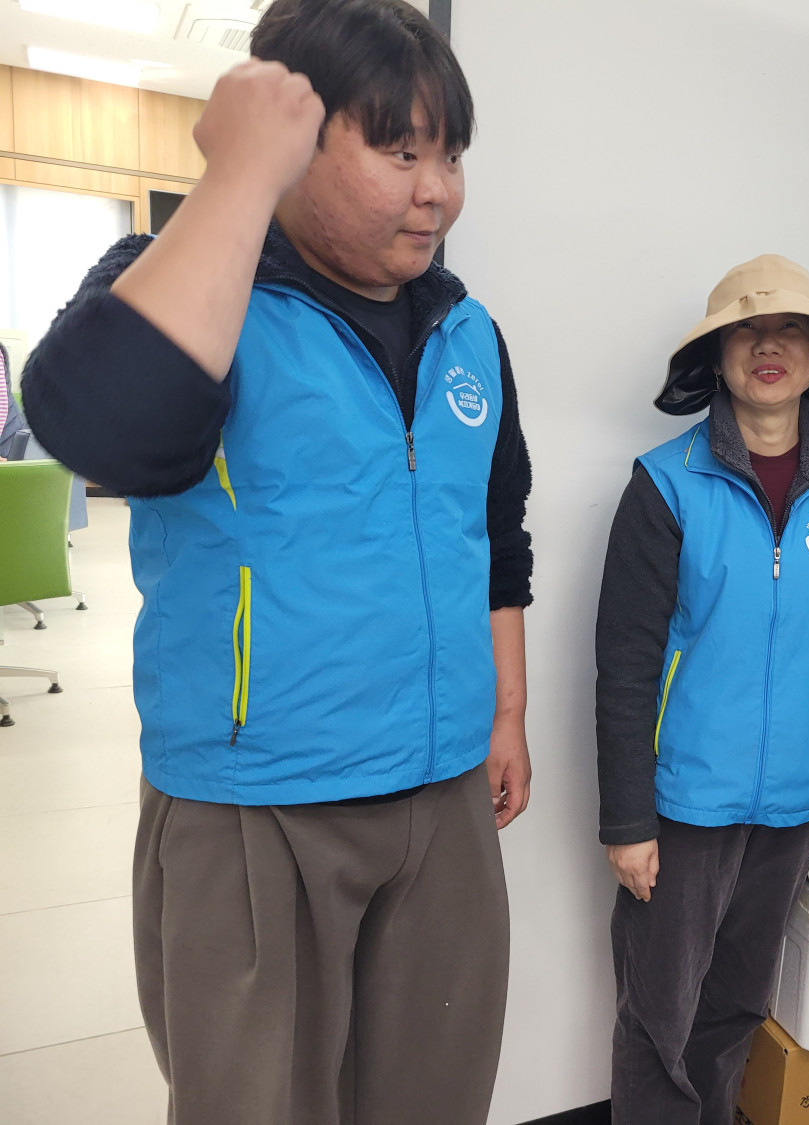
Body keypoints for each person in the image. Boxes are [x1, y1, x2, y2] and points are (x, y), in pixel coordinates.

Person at [21, 2, 531, 1121]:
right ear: (295, 140)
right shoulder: (196, 287)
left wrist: (506, 714)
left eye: (450, 155)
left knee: (436, 1097)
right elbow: (104, 429)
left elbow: (498, 535)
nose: (437, 192)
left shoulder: (466, 332)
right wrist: (237, 179)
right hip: (258, 803)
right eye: (401, 152)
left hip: (443, 793)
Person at [596, 255, 809, 1122]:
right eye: (747, 330)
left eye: (790, 329)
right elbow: (625, 662)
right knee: (659, 1014)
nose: (768, 346)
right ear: (718, 355)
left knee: (737, 1002)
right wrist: (626, 820)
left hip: (798, 799)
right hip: (685, 805)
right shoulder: (666, 483)